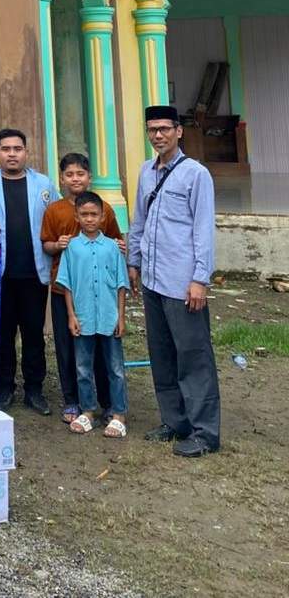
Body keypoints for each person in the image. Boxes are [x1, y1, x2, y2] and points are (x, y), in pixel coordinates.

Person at [128, 105, 219, 458]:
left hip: (183, 283)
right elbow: (139, 219)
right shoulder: (145, 172)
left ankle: (204, 432)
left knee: (193, 356)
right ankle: (175, 421)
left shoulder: (196, 174)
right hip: (153, 279)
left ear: (178, 131)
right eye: (152, 129)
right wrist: (133, 261)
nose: (158, 135)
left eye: (165, 128)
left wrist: (200, 279)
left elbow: (203, 229)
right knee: (162, 354)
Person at [0, 128, 59, 413]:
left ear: (25, 152)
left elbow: (57, 217)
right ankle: (4, 387)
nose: (12, 154)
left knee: (33, 334)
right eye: (6, 149)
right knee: (3, 335)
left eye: (17, 149)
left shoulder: (42, 183)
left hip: (34, 272)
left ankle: (34, 390)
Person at [41, 152, 123, 423]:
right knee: (67, 347)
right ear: (61, 178)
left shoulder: (104, 209)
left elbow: (116, 241)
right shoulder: (54, 210)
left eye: (80, 174)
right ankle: (72, 400)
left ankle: (107, 401)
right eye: (69, 174)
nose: (75, 179)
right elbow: (46, 245)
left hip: (100, 293)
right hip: (64, 290)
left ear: (89, 177)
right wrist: (58, 245)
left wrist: (121, 247)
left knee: (100, 347)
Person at [56, 192, 130, 438]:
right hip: (83, 317)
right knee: (83, 368)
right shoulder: (71, 248)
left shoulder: (113, 248)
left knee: (115, 368)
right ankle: (87, 411)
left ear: (103, 217)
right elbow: (67, 285)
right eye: (84, 214)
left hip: (109, 317)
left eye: (94, 214)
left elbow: (121, 285)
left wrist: (121, 317)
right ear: (77, 217)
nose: (89, 219)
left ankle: (118, 414)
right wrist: (71, 316)